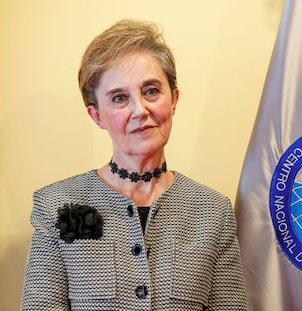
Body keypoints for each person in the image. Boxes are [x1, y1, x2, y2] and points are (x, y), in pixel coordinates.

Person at [21, 19, 247, 310]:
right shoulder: (54, 205)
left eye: (151, 91)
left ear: (174, 99)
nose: (140, 110)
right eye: (119, 98)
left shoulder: (213, 211)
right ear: (97, 116)